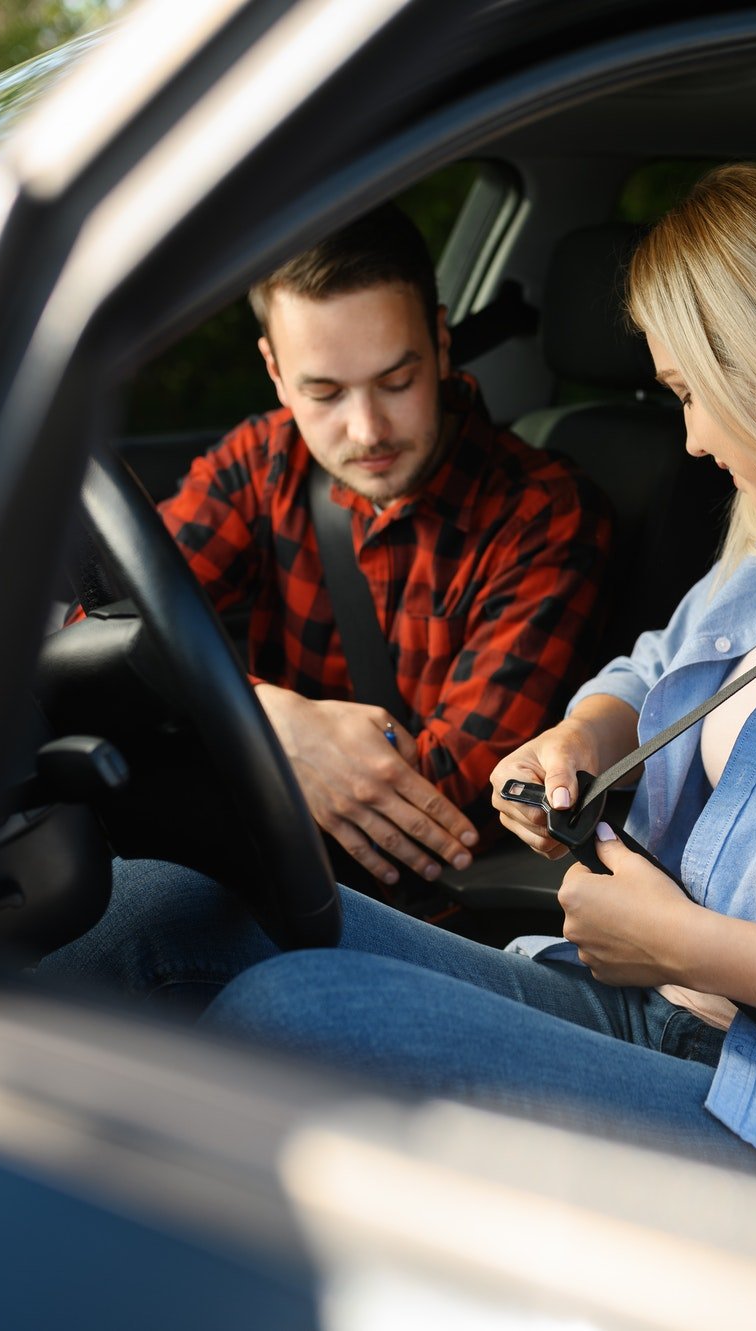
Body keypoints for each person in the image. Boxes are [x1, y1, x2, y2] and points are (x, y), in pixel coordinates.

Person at [63, 165, 756, 1228]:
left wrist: (689, 945)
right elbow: (644, 670)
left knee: (285, 1015)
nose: (689, 438)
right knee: (155, 906)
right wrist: (580, 736)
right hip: (661, 1009)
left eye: (690, 393)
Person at [144, 204, 612, 896]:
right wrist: (274, 724)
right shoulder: (258, 462)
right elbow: (107, 627)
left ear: (442, 345)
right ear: (275, 370)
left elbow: (445, 801)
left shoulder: (542, 511)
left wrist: (221, 728)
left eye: (397, 382)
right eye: (324, 392)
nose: (367, 430)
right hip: (262, 863)